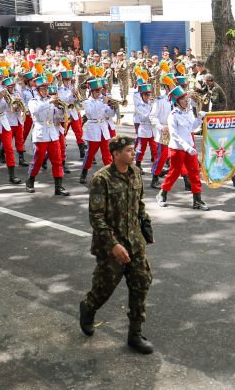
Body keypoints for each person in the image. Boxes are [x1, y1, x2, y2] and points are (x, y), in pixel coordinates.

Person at [79, 135, 155, 354]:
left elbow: (139, 203)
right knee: (105, 287)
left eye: (134, 150)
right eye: (130, 150)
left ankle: (135, 334)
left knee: (142, 281)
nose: (134, 153)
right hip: (110, 244)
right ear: (116, 154)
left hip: (135, 240)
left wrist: (146, 224)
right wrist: (113, 245)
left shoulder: (136, 173)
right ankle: (89, 307)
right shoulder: (101, 179)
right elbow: (96, 217)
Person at [155, 86, 208, 210]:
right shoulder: (173, 115)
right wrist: (186, 147)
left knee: (195, 172)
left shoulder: (188, 112)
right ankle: (162, 194)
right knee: (174, 172)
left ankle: (197, 200)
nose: (186, 100)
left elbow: (192, 128)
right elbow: (174, 135)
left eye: (186, 98)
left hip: (189, 147)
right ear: (177, 102)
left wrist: (200, 118)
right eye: (183, 99)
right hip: (178, 148)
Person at [26, 77, 68, 196]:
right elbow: (36, 111)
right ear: (37, 90)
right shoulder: (33, 101)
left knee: (57, 159)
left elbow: (58, 117)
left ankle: (58, 187)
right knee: (38, 160)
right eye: (43, 88)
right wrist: (49, 102)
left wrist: (60, 108)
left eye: (46, 88)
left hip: (52, 132)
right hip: (40, 132)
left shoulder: (51, 100)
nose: (45, 91)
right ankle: (30, 180)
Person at [80, 78, 115, 185]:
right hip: (93, 129)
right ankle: (84, 174)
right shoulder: (86, 101)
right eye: (96, 91)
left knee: (107, 154)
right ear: (91, 91)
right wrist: (103, 103)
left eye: (100, 91)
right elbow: (91, 113)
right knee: (90, 154)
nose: (99, 93)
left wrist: (112, 107)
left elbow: (109, 114)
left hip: (103, 129)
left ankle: (111, 175)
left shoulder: (101, 101)